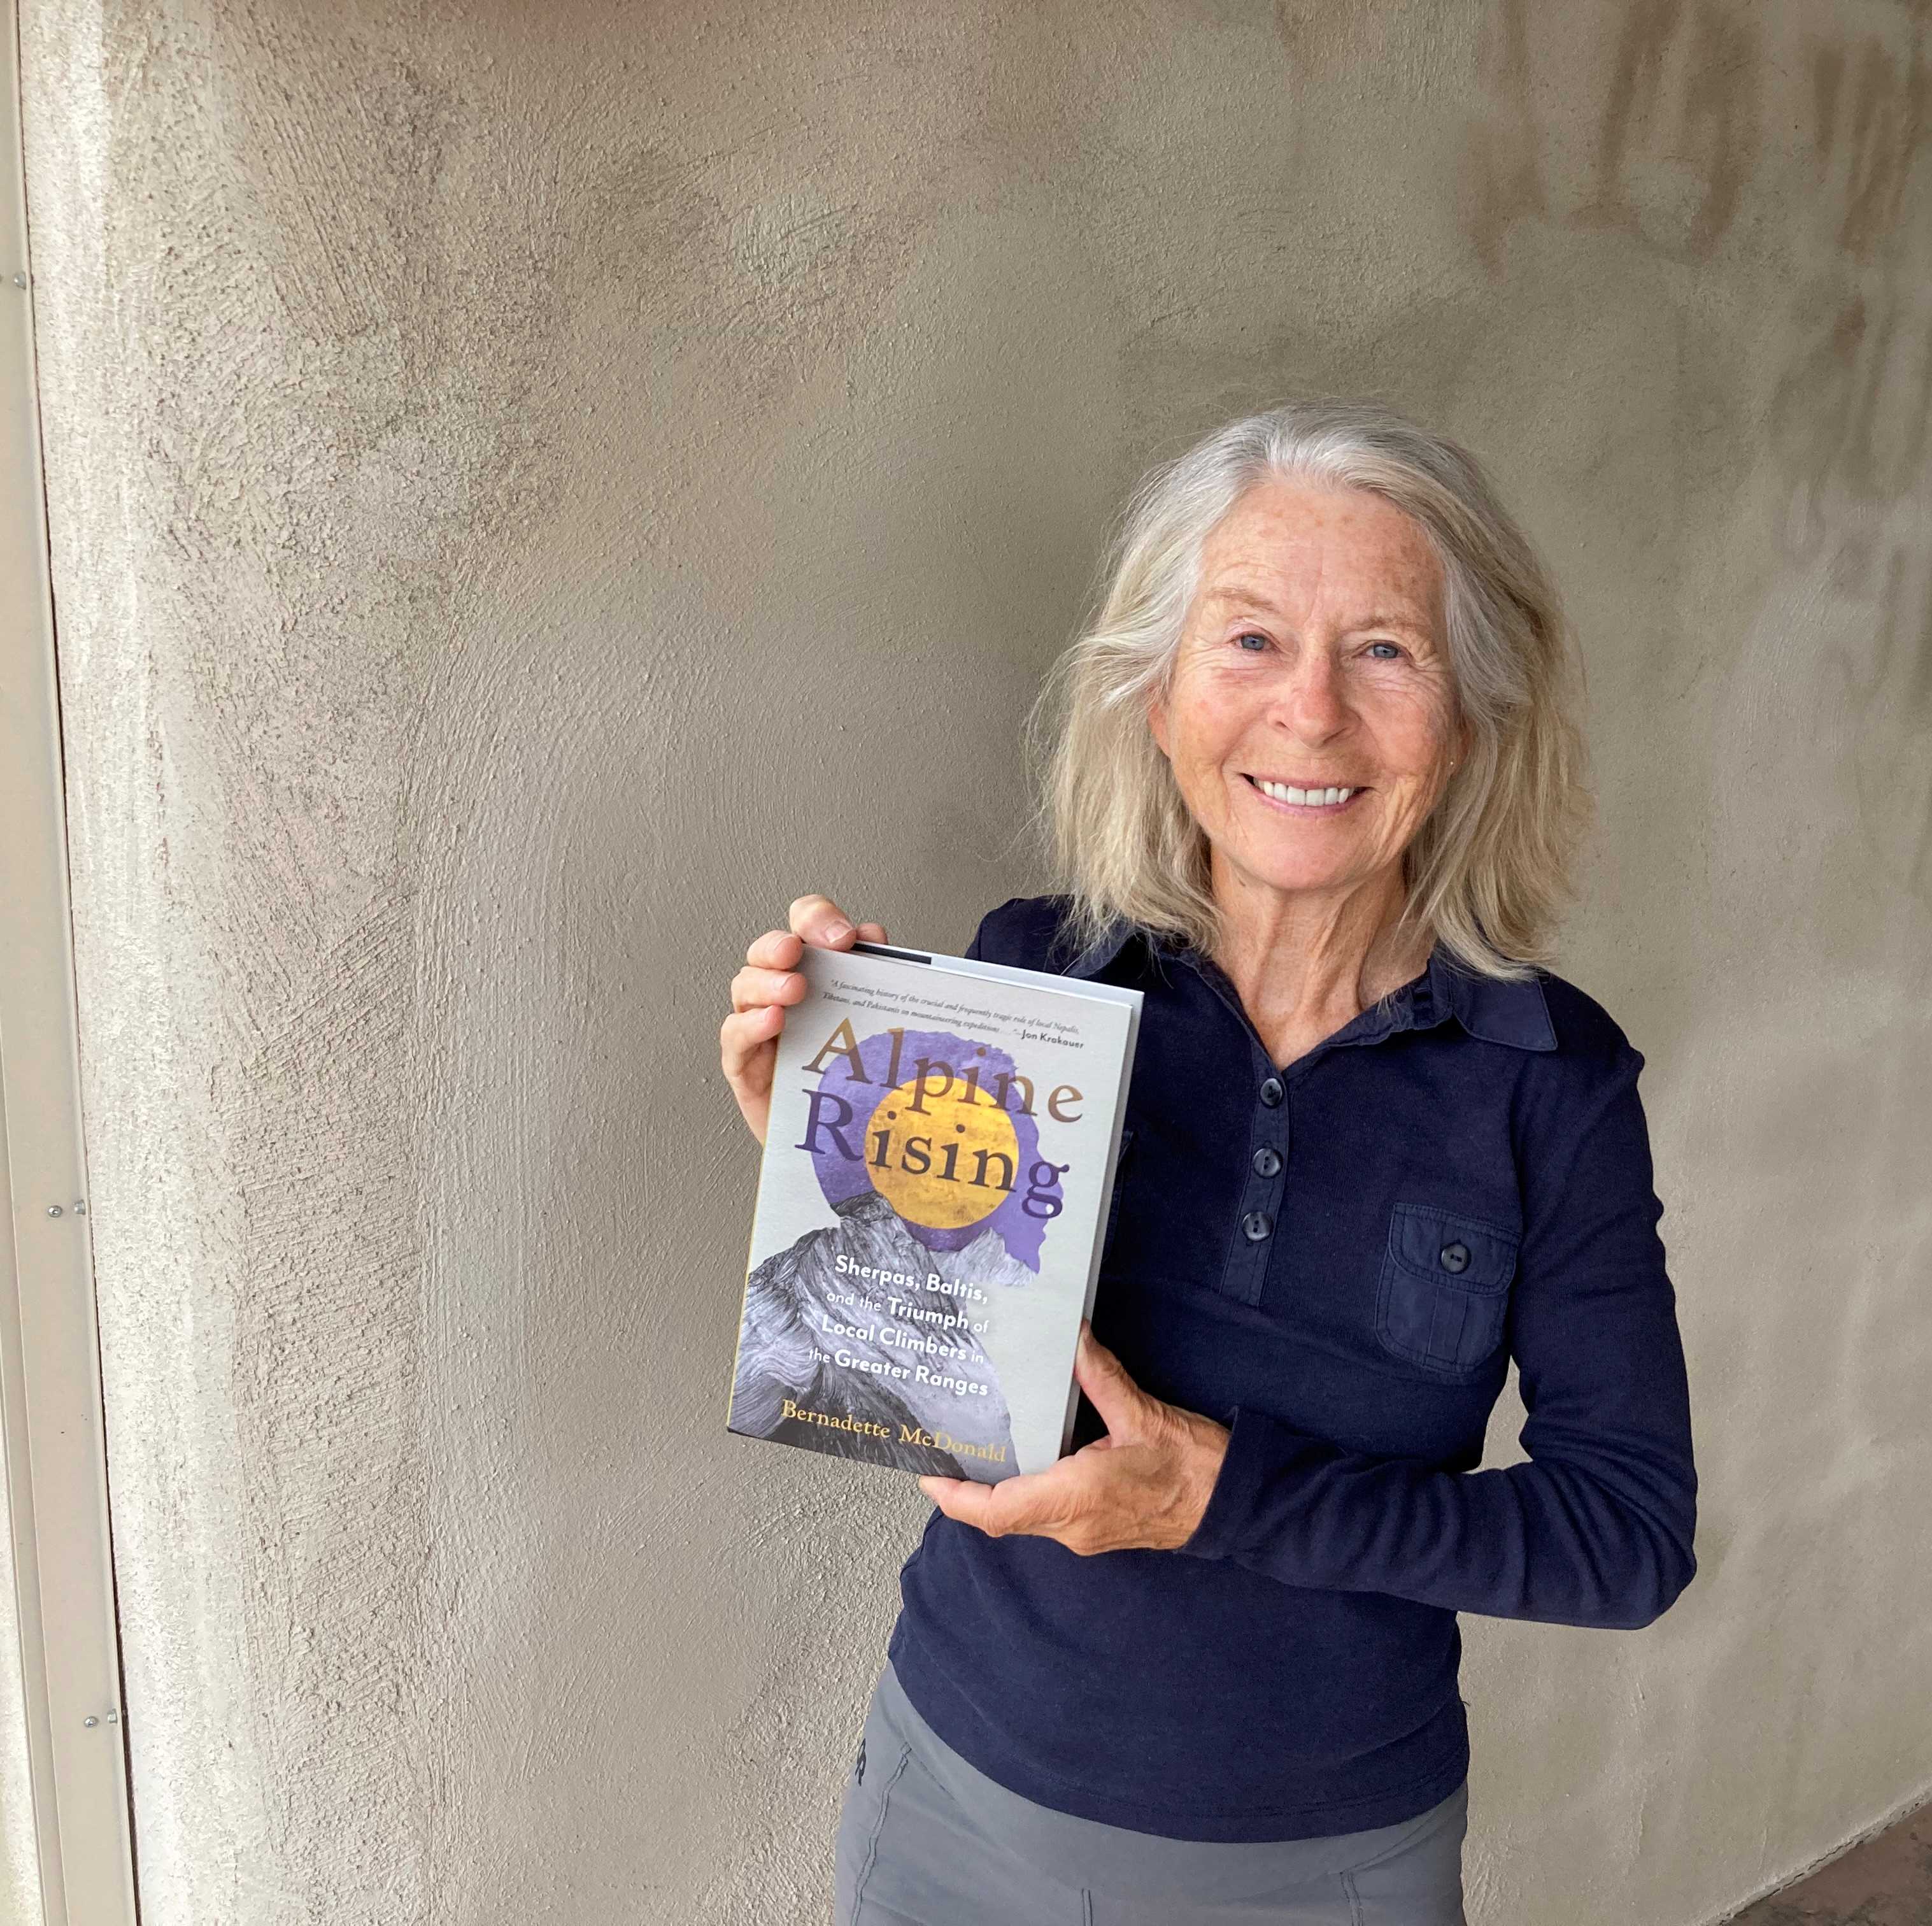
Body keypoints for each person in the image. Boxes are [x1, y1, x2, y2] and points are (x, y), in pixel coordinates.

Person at [718, 401, 1697, 1925]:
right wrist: (827, 1146)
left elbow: (1623, 1540)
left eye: (1386, 651)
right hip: (953, 1802)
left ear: (1471, 721)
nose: (1310, 714)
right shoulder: (1038, 973)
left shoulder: (1552, 1084)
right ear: (1160, 701)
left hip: (1325, 1870)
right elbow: (938, 1376)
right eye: (1248, 642)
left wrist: (1224, 1497)